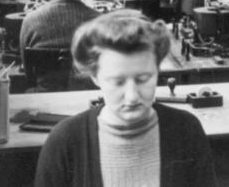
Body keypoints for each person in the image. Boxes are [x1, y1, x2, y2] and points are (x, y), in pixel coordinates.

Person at [35, 10, 216, 187]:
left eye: (143, 79)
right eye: (117, 82)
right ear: (95, 77)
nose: (132, 96)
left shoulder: (186, 130)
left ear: (157, 70)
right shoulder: (64, 141)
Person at [20, 0, 100, 92]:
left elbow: (28, 72)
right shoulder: (100, 21)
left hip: (44, 97)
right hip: (88, 96)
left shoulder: (31, 19)